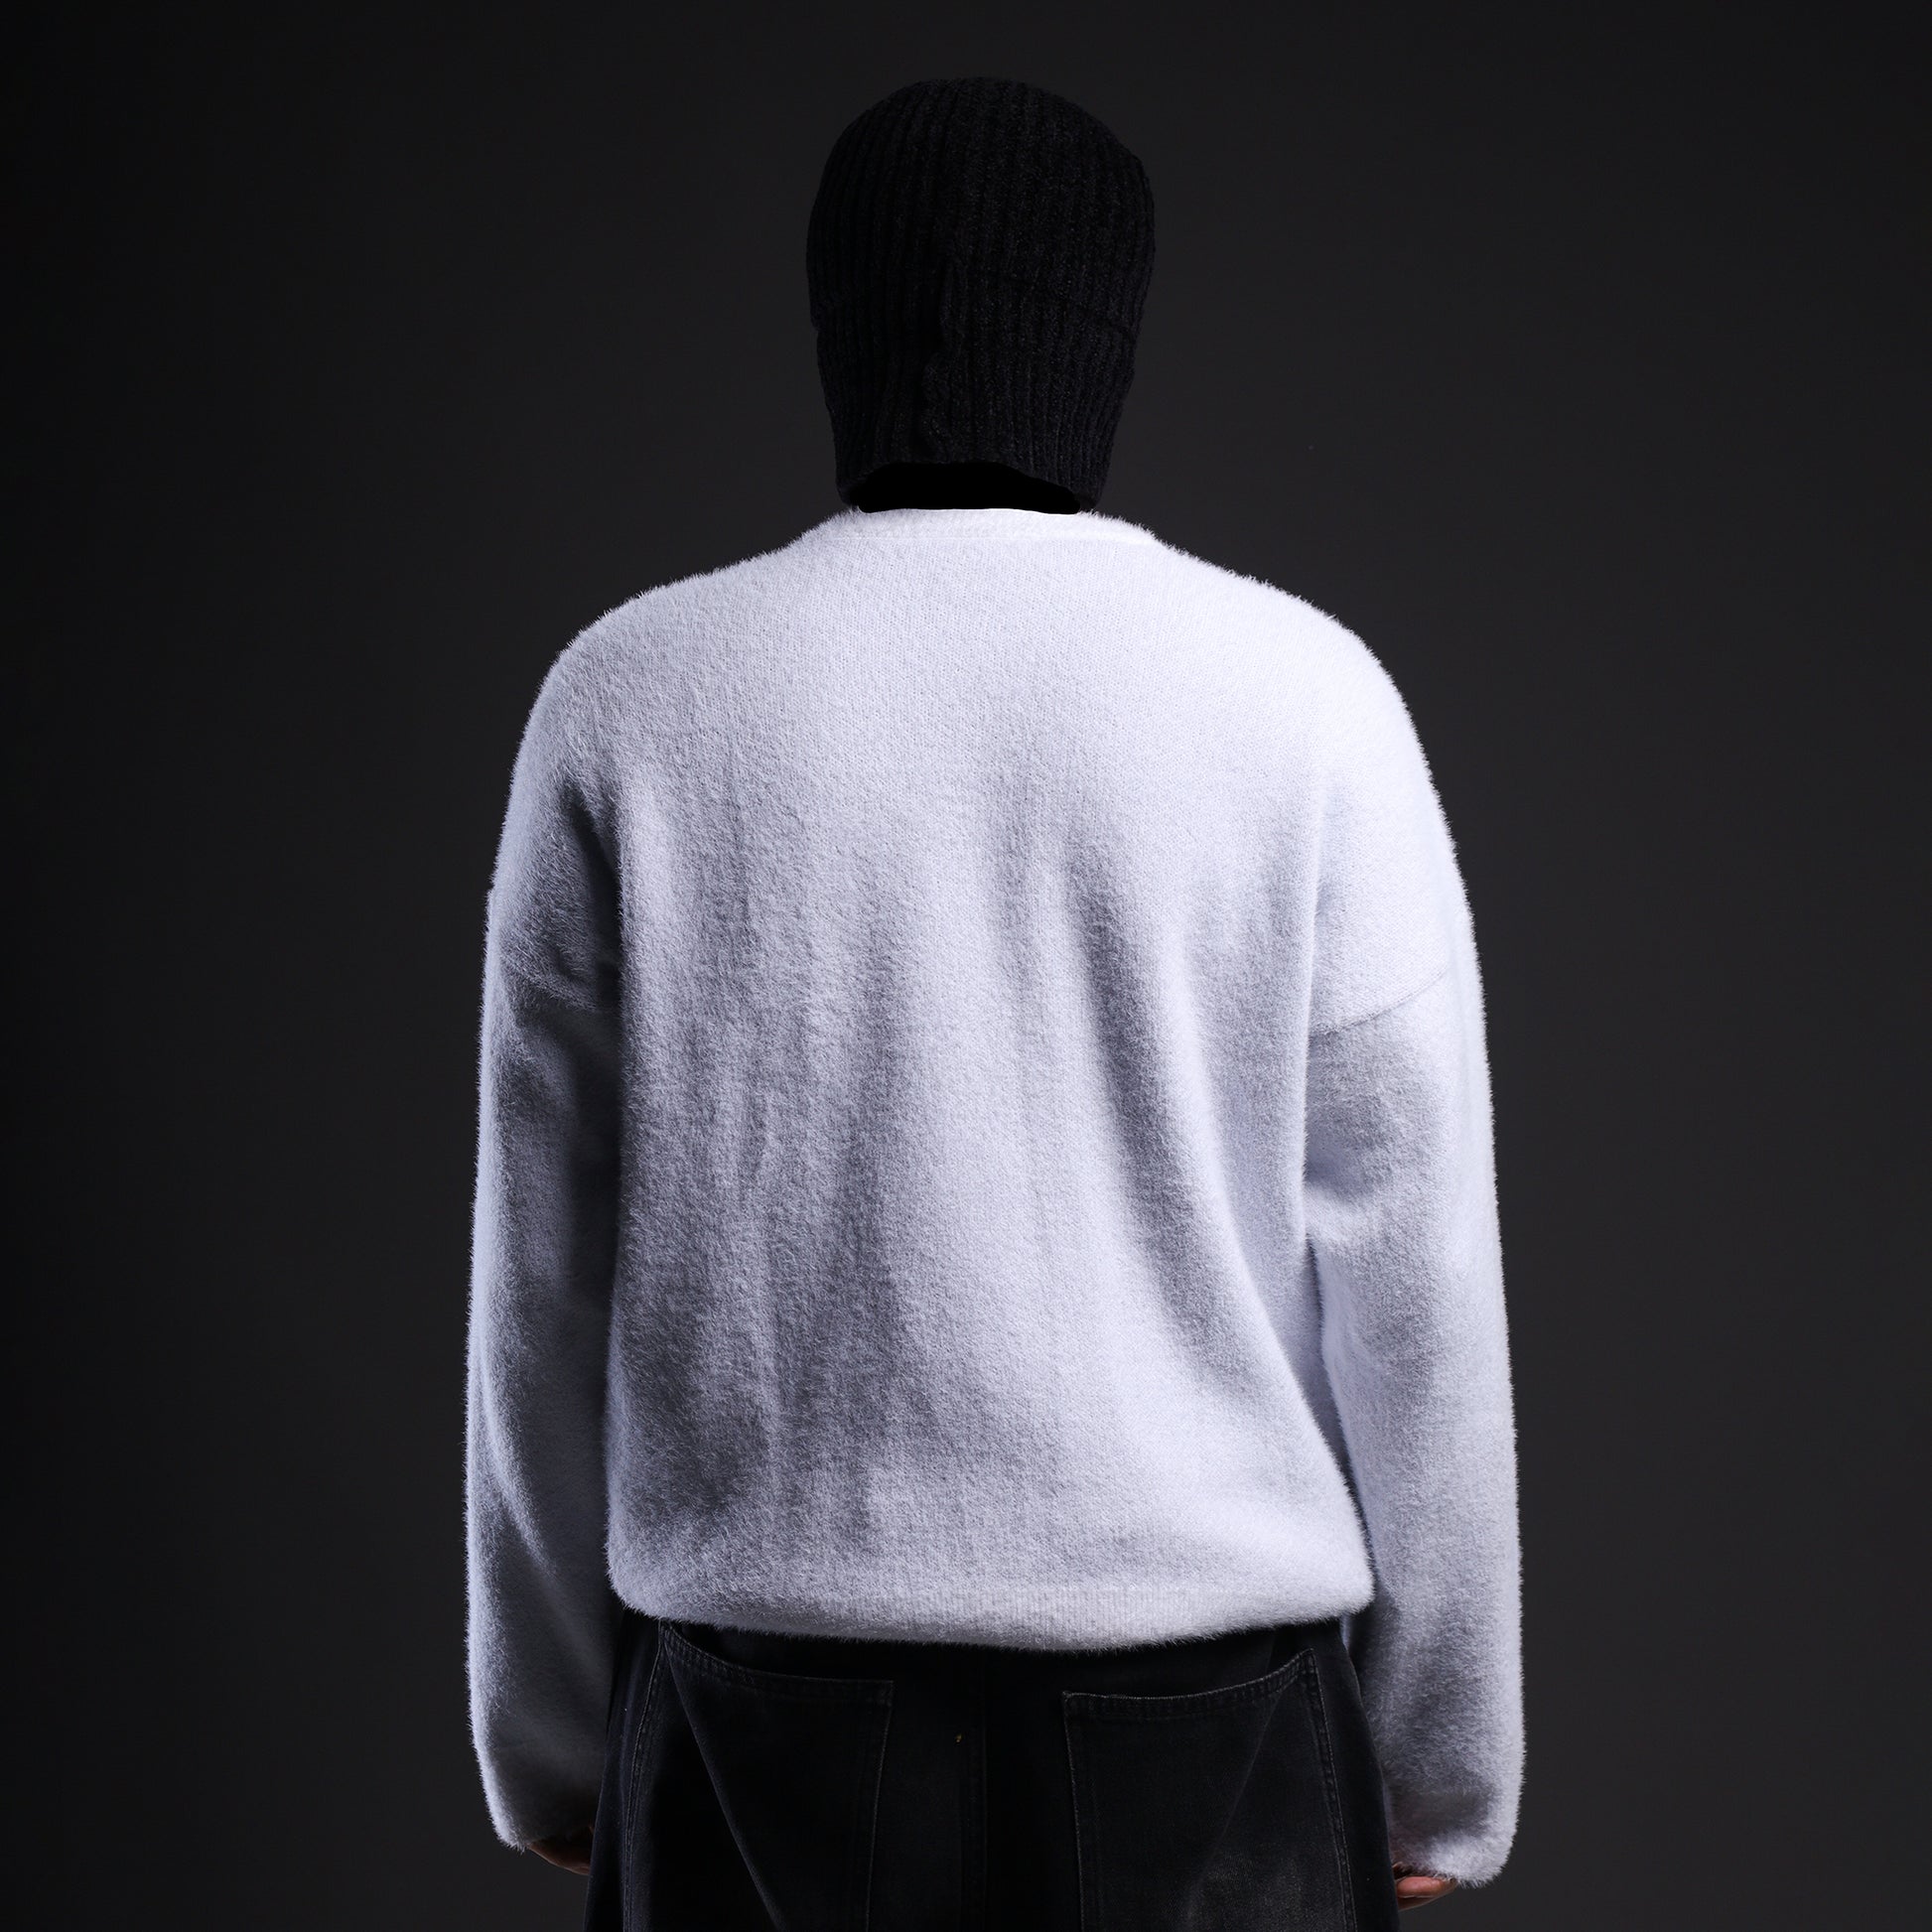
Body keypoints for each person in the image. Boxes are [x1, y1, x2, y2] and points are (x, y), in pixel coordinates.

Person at [465, 75, 1522, 1927]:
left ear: (838, 328)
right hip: (1215, 1730)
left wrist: (546, 1729)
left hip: (753, 1725)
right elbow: (1411, 1269)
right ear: (1103, 336)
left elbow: (541, 1278)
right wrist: (1443, 1756)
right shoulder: (1302, 696)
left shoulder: (631, 695)